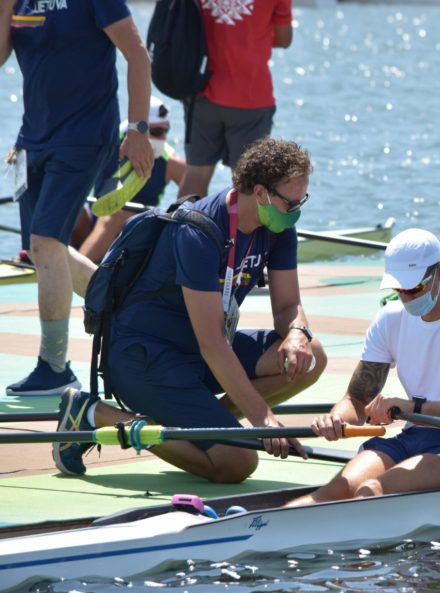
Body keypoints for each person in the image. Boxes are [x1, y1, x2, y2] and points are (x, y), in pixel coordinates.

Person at [54, 137, 325, 484]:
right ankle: (95, 413)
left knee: (310, 356)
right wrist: (262, 418)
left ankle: (209, 425)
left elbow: (288, 307)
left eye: (303, 201)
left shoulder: (278, 227)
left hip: (197, 354)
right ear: (260, 193)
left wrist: (298, 333)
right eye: (292, 203)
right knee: (236, 463)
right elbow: (213, 343)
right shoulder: (197, 232)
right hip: (145, 359)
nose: (297, 211)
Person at [285, 229, 440, 506]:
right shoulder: (390, 319)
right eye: (399, 289)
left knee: (372, 491)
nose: (406, 297)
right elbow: (356, 400)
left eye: (414, 288)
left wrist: (415, 408)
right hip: (413, 438)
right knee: (333, 493)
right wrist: (336, 418)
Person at [2, 0, 154, 396]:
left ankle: (55, 367)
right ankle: (130, 306)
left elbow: (137, 55)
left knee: (45, 242)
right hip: (33, 140)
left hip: (85, 136)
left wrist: (138, 129)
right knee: (44, 249)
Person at [178, 0, 293, 198]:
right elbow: (284, 39)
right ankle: (239, 230)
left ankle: (181, 228)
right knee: (248, 181)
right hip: (250, 98)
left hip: (201, 89)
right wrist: (255, 34)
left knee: (196, 173)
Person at [74, 96, 187, 263]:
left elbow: (195, 203)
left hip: (136, 231)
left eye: (166, 131)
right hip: (96, 221)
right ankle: (43, 257)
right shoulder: (108, 143)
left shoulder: (171, 163)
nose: (163, 138)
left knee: (114, 217)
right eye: (156, 132)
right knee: (72, 212)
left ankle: (73, 275)